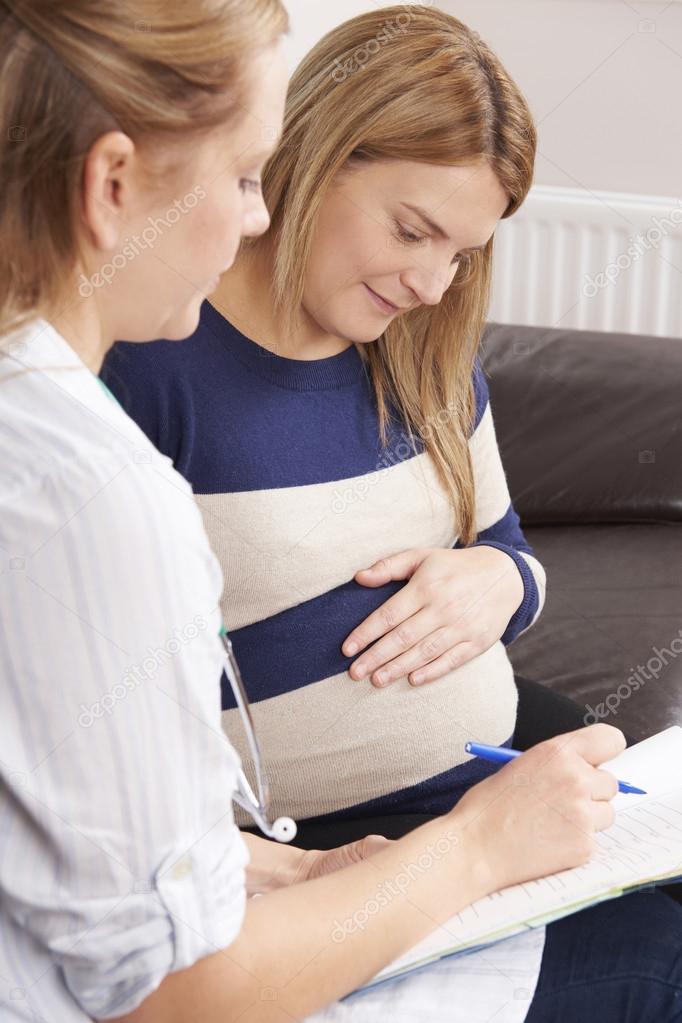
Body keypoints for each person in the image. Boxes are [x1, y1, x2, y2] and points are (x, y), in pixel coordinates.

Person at [2, 4, 682, 1023]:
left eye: (462, 252)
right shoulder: (135, 357)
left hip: (486, 758)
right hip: (330, 828)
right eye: (412, 230)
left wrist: (500, 581)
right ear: (308, 158)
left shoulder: (426, 347)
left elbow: (509, 554)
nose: (431, 280)